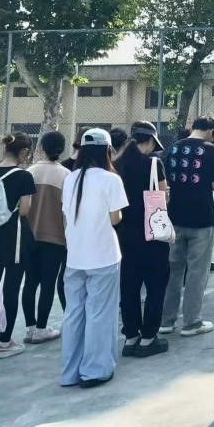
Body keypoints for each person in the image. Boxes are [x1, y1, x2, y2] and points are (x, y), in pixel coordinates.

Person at [60, 128, 128, 388]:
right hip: (103, 255)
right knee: (100, 313)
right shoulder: (111, 179)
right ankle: (95, 370)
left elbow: (66, 216)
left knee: (74, 314)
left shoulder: (71, 178)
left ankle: (70, 372)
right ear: (108, 150)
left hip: (75, 256)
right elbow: (115, 218)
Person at [160, 116, 214, 337]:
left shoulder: (172, 149)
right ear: (212, 131)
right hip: (202, 219)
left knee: (172, 271)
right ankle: (191, 322)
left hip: (174, 217)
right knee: (197, 272)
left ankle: (166, 321)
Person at [116, 122, 171, 358]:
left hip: (124, 235)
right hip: (151, 234)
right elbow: (164, 197)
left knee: (128, 287)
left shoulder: (116, 165)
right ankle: (149, 337)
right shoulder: (153, 164)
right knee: (156, 286)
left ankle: (130, 337)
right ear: (149, 141)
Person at [0, 132, 36, 360]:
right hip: (15, 236)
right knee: (11, 289)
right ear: (24, 152)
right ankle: (5, 341)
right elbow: (25, 210)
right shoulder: (24, 176)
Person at [23, 131, 70, 345]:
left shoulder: (30, 171)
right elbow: (66, 212)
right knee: (48, 284)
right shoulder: (66, 175)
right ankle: (42, 328)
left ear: (41, 147)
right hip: (56, 237)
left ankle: (30, 328)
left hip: (30, 235)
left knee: (30, 283)